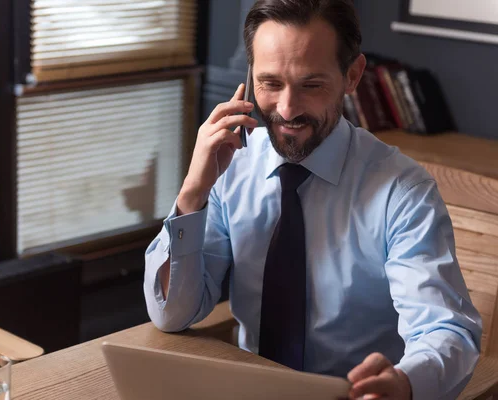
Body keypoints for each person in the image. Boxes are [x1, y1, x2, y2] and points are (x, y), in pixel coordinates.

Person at [143, 0, 482, 398]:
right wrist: (192, 194)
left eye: (311, 85)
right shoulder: (230, 166)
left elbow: (445, 330)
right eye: (270, 83)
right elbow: (173, 313)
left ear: (352, 75)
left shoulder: (403, 192)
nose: (287, 110)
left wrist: (406, 384)